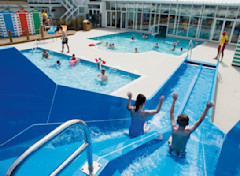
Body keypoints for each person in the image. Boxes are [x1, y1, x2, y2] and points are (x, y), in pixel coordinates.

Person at [168, 92, 214, 158]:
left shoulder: (174, 128)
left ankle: (170, 140)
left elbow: (171, 113)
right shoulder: (188, 132)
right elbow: (200, 121)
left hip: (171, 151)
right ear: (187, 124)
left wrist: (174, 100)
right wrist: (207, 108)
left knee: (171, 137)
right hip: (181, 153)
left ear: (177, 122)